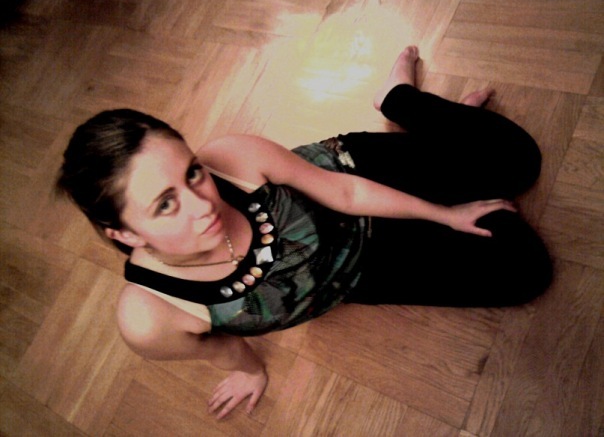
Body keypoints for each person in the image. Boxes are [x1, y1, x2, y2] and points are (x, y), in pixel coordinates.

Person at [55, 46, 552, 419]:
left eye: (191, 172)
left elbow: (346, 193)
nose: (203, 203)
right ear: (123, 234)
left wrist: (446, 215)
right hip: (358, 272)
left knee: (518, 163)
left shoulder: (232, 157)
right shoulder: (150, 316)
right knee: (527, 269)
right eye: (165, 205)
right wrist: (250, 370)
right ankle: (454, 132)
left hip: (357, 176)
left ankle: (398, 99)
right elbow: (217, 348)